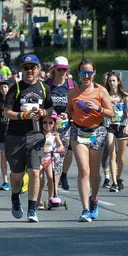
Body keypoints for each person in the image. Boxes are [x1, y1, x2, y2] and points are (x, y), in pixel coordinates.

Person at [3, 54, 53, 223]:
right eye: (26, 67)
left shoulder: (44, 88)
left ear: (38, 69)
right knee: (17, 176)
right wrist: (22, 115)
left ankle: (32, 209)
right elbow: (6, 112)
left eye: (33, 67)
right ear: (22, 69)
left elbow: (49, 109)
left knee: (34, 172)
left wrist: (43, 113)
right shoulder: (15, 88)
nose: (30, 70)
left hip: (36, 135)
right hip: (15, 136)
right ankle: (15, 196)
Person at [65, 58, 113, 222]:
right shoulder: (72, 92)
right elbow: (69, 111)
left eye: (89, 73)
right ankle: (85, 209)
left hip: (97, 131)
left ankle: (94, 199)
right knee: (83, 170)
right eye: (83, 73)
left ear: (94, 73)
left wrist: (98, 108)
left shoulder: (101, 91)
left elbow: (111, 113)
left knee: (94, 173)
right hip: (78, 131)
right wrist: (65, 115)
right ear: (78, 73)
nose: (86, 76)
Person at [47, 56, 76, 191]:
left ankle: (63, 175)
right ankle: (52, 178)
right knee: (52, 152)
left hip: (67, 125)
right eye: (59, 69)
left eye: (64, 69)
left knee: (66, 153)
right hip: (50, 124)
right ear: (54, 69)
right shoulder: (48, 85)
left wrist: (69, 113)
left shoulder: (71, 85)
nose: (62, 72)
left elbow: (76, 103)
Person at [105, 72, 128, 192]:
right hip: (110, 126)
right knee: (112, 153)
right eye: (110, 81)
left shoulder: (124, 96)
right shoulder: (105, 95)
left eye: (114, 81)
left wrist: (127, 126)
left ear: (118, 82)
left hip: (122, 126)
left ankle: (119, 177)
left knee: (121, 157)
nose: (112, 83)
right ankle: (114, 182)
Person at [37, 111, 65, 206]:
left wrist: (59, 149)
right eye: (45, 122)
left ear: (54, 124)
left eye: (50, 123)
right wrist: (41, 149)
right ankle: (38, 201)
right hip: (39, 160)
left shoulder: (54, 135)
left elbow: (61, 145)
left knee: (51, 178)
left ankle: (51, 198)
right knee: (40, 181)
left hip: (49, 159)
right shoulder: (38, 134)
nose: (47, 125)